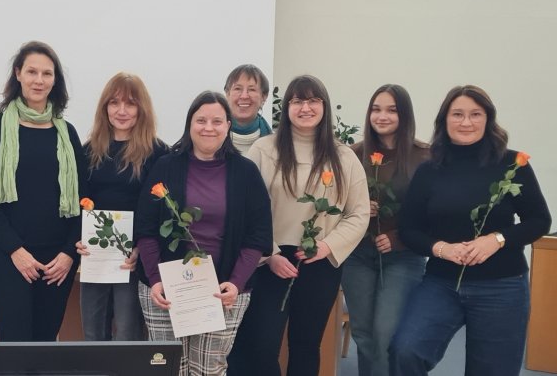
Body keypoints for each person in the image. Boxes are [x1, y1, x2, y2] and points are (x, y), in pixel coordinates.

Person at [389, 85, 551, 376]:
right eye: (458, 114)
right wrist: (442, 249)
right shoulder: (429, 170)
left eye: (476, 114)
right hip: (441, 283)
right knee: (406, 350)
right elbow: (409, 229)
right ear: (444, 120)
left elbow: (539, 220)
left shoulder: (513, 165)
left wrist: (497, 240)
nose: (466, 122)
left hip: (502, 286)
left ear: (488, 119)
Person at [233, 75, 369, 376]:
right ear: (287, 107)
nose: (305, 107)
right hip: (272, 261)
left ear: (324, 106)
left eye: (312, 100)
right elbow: (247, 210)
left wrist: (327, 246)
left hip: (320, 261)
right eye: (297, 101)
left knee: (306, 344)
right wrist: (270, 256)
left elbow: (358, 214)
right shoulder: (264, 150)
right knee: (263, 344)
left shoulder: (344, 156)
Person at [134, 91, 273, 375]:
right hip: (165, 289)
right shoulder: (165, 166)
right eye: (201, 120)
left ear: (228, 126)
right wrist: (156, 280)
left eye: (217, 121)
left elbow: (257, 236)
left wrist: (235, 283)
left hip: (222, 291)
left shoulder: (246, 172)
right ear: (189, 125)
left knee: (208, 370)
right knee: (168, 370)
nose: (208, 127)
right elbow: (146, 229)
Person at [0, 41, 86, 341]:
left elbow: (83, 201)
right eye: (32, 72)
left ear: (55, 80)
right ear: (18, 74)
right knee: (15, 344)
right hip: (8, 256)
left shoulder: (68, 133)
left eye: (47, 74)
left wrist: (67, 254)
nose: (39, 80)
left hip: (57, 262)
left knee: (46, 342)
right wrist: (16, 251)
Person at [341, 84, 430, 376]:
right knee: (364, 335)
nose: (382, 116)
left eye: (391, 110)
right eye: (376, 109)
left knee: (385, 332)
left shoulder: (424, 156)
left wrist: (398, 238)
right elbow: (336, 204)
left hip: (404, 256)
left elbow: (434, 213)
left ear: (404, 114)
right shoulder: (352, 154)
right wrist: (360, 207)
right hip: (357, 255)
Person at [75, 72, 168, 341]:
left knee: (127, 334)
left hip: (133, 259)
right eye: (114, 103)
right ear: (105, 108)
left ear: (142, 108)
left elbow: (158, 209)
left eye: (130, 103)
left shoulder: (158, 153)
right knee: (93, 334)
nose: (122, 111)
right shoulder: (88, 151)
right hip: (95, 257)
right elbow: (78, 202)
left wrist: (142, 247)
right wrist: (79, 240)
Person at [224, 64, 273, 155]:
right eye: (238, 88)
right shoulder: (212, 139)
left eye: (252, 89)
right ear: (227, 95)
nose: (244, 96)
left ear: (264, 97)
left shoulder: (276, 145)